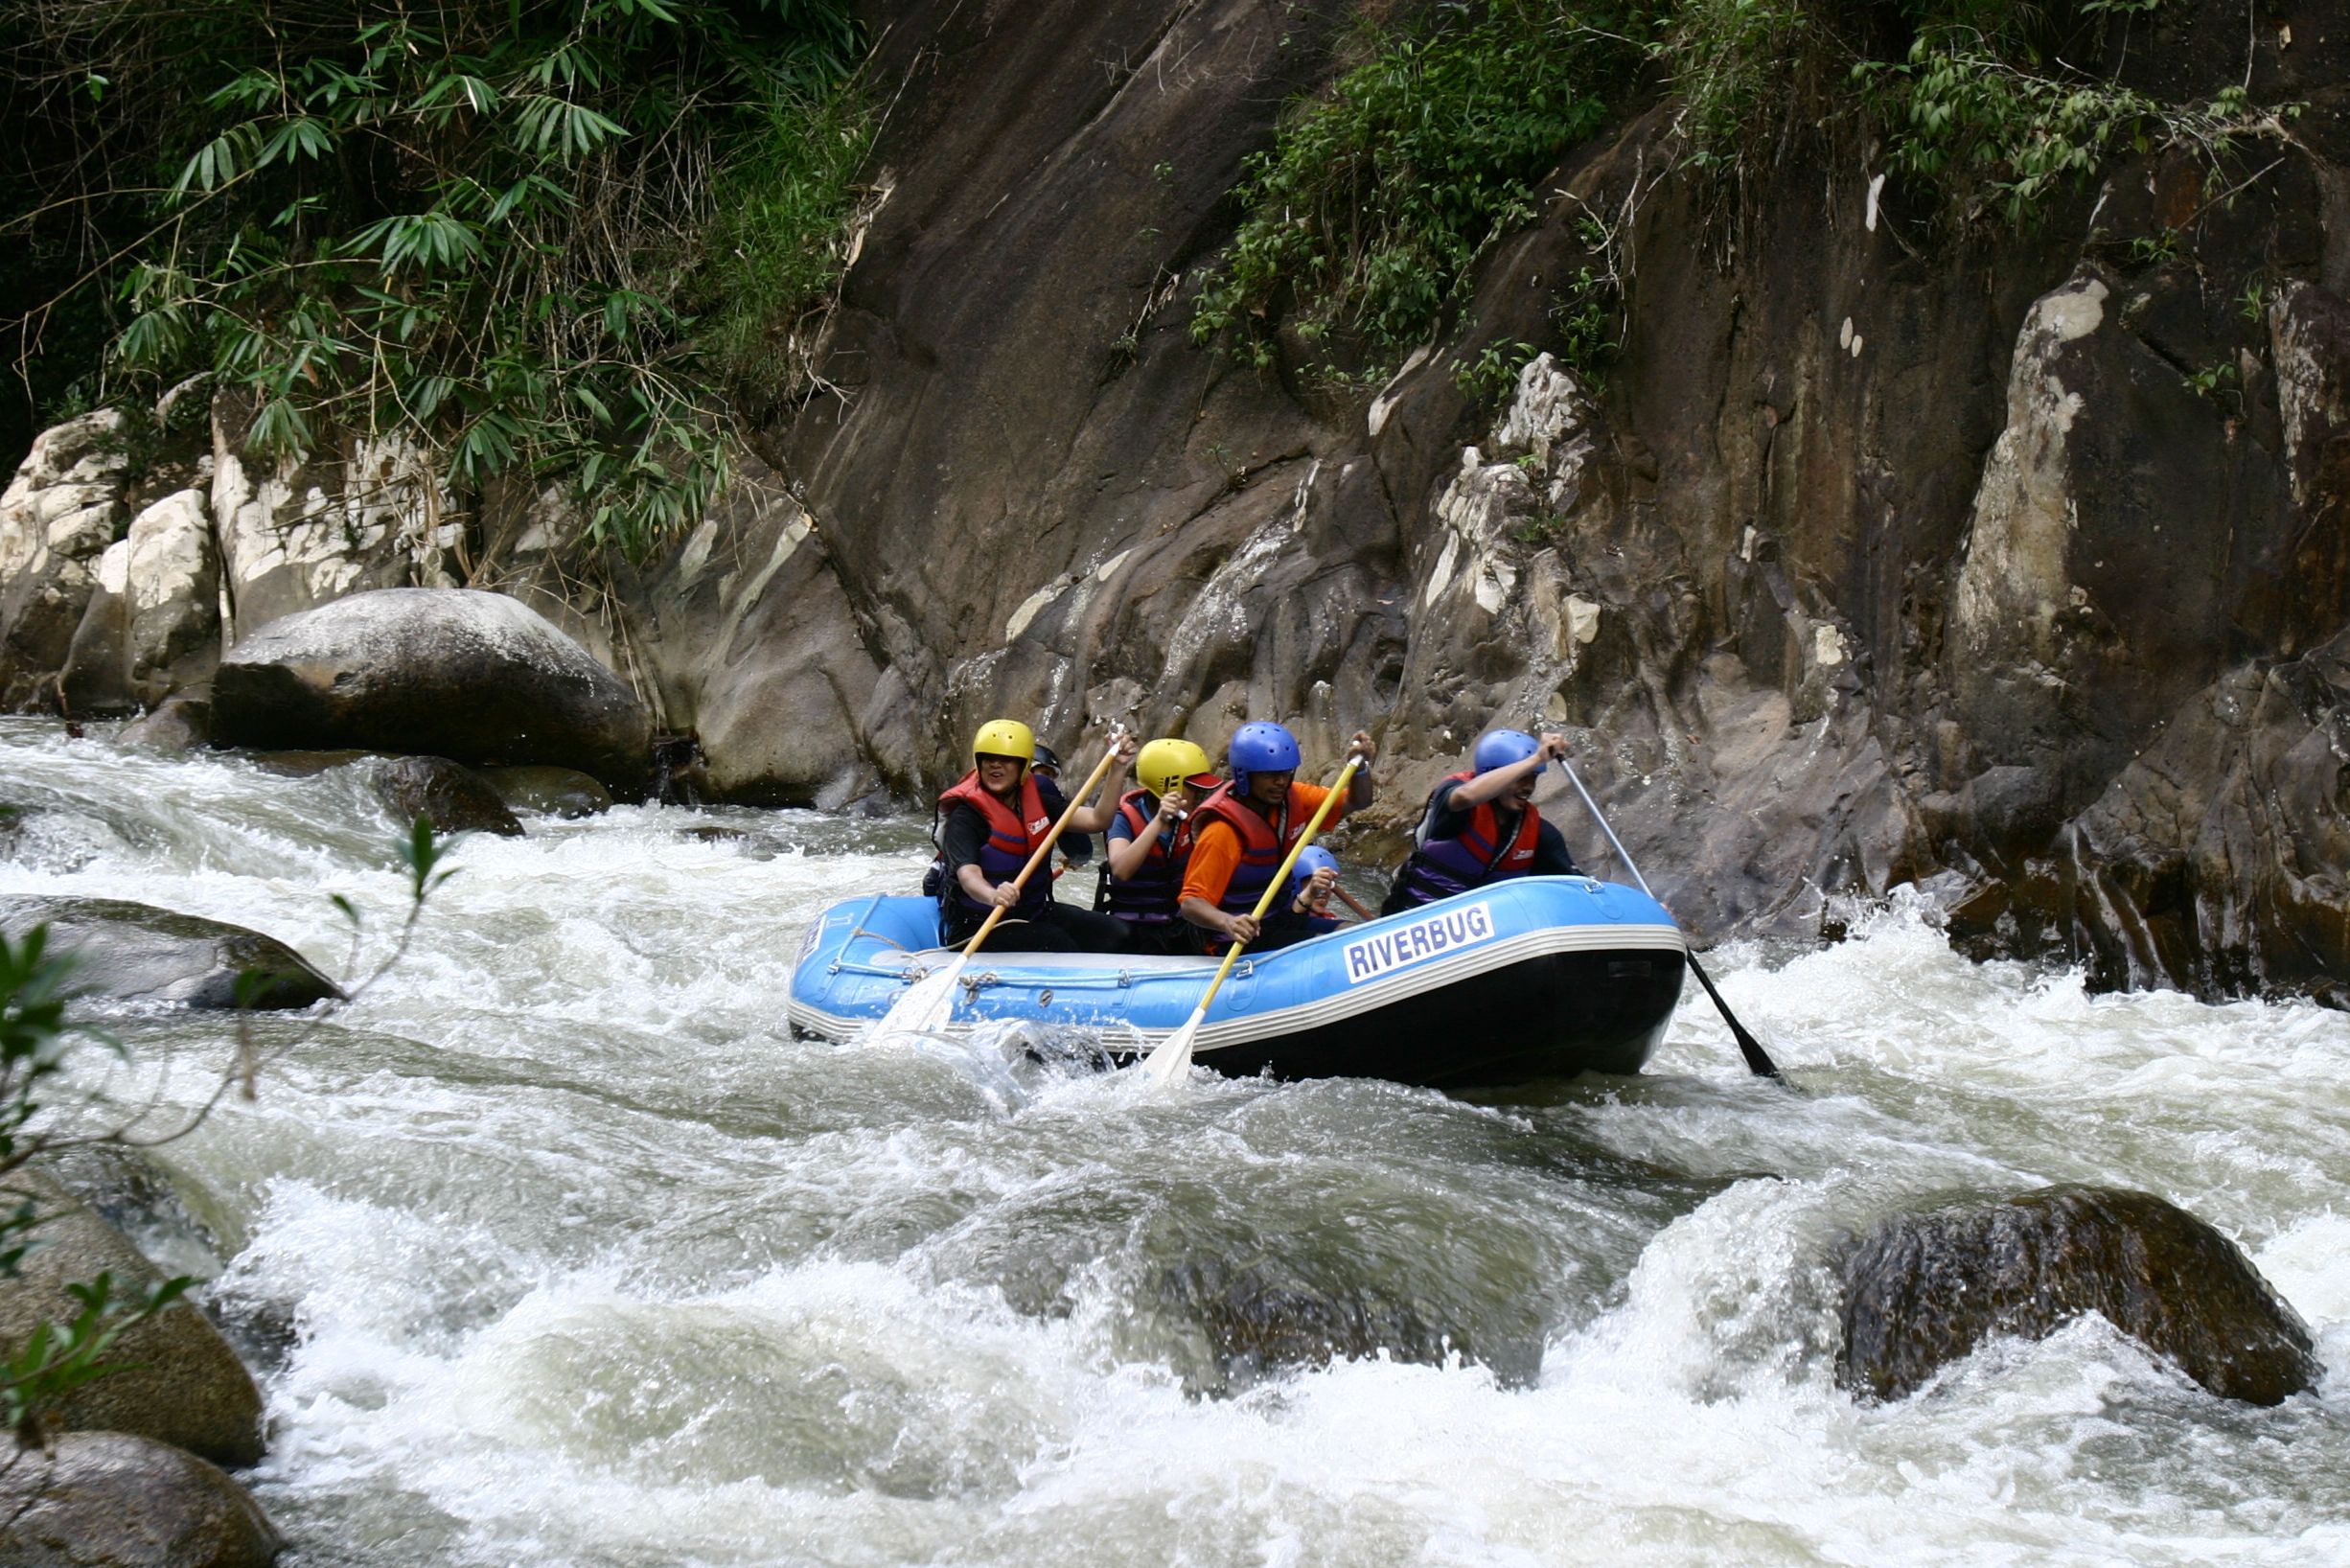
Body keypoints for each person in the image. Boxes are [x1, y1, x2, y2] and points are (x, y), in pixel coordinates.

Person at [933, 719, 1135, 953]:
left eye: (1006, 760)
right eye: (988, 759)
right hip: (980, 925)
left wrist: (1117, 769)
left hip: (1033, 912)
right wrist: (992, 894)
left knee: (1118, 934)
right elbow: (968, 876)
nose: (995, 766)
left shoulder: (1038, 801)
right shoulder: (966, 817)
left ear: (1023, 765)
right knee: (1060, 944)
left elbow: (1098, 820)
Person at [1179, 721, 1376, 953]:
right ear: (1245, 776)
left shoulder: (1294, 798)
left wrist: (1360, 767)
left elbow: (1357, 801)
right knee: (1328, 946)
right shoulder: (1222, 831)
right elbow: (1191, 903)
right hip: (1237, 937)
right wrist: (1228, 922)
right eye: (1270, 775)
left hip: (1278, 916)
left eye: (1285, 773)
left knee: (1352, 932)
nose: (1281, 781)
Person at [1381, 727, 1579, 914]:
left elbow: (1574, 887)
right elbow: (1466, 796)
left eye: (1533, 778)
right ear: (1492, 772)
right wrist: (1536, 759)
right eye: (1522, 777)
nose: (1529, 787)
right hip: (1416, 918)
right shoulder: (1452, 799)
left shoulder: (1541, 834)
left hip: (1486, 939)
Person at [1100, 737, 1221, 954]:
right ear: (1168, 785)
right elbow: (1120, 871)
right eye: (1192, 788)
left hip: (1180, 923)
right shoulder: (1123, 817)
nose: (1199, 795)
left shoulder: (1196, 818)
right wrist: (1159, 821)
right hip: (1136, 925)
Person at [1029, 741, 1095, 873]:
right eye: (1046, 773)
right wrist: (1076, 858)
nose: (1050, 781)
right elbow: (1082, 851)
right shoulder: (1042, 785)